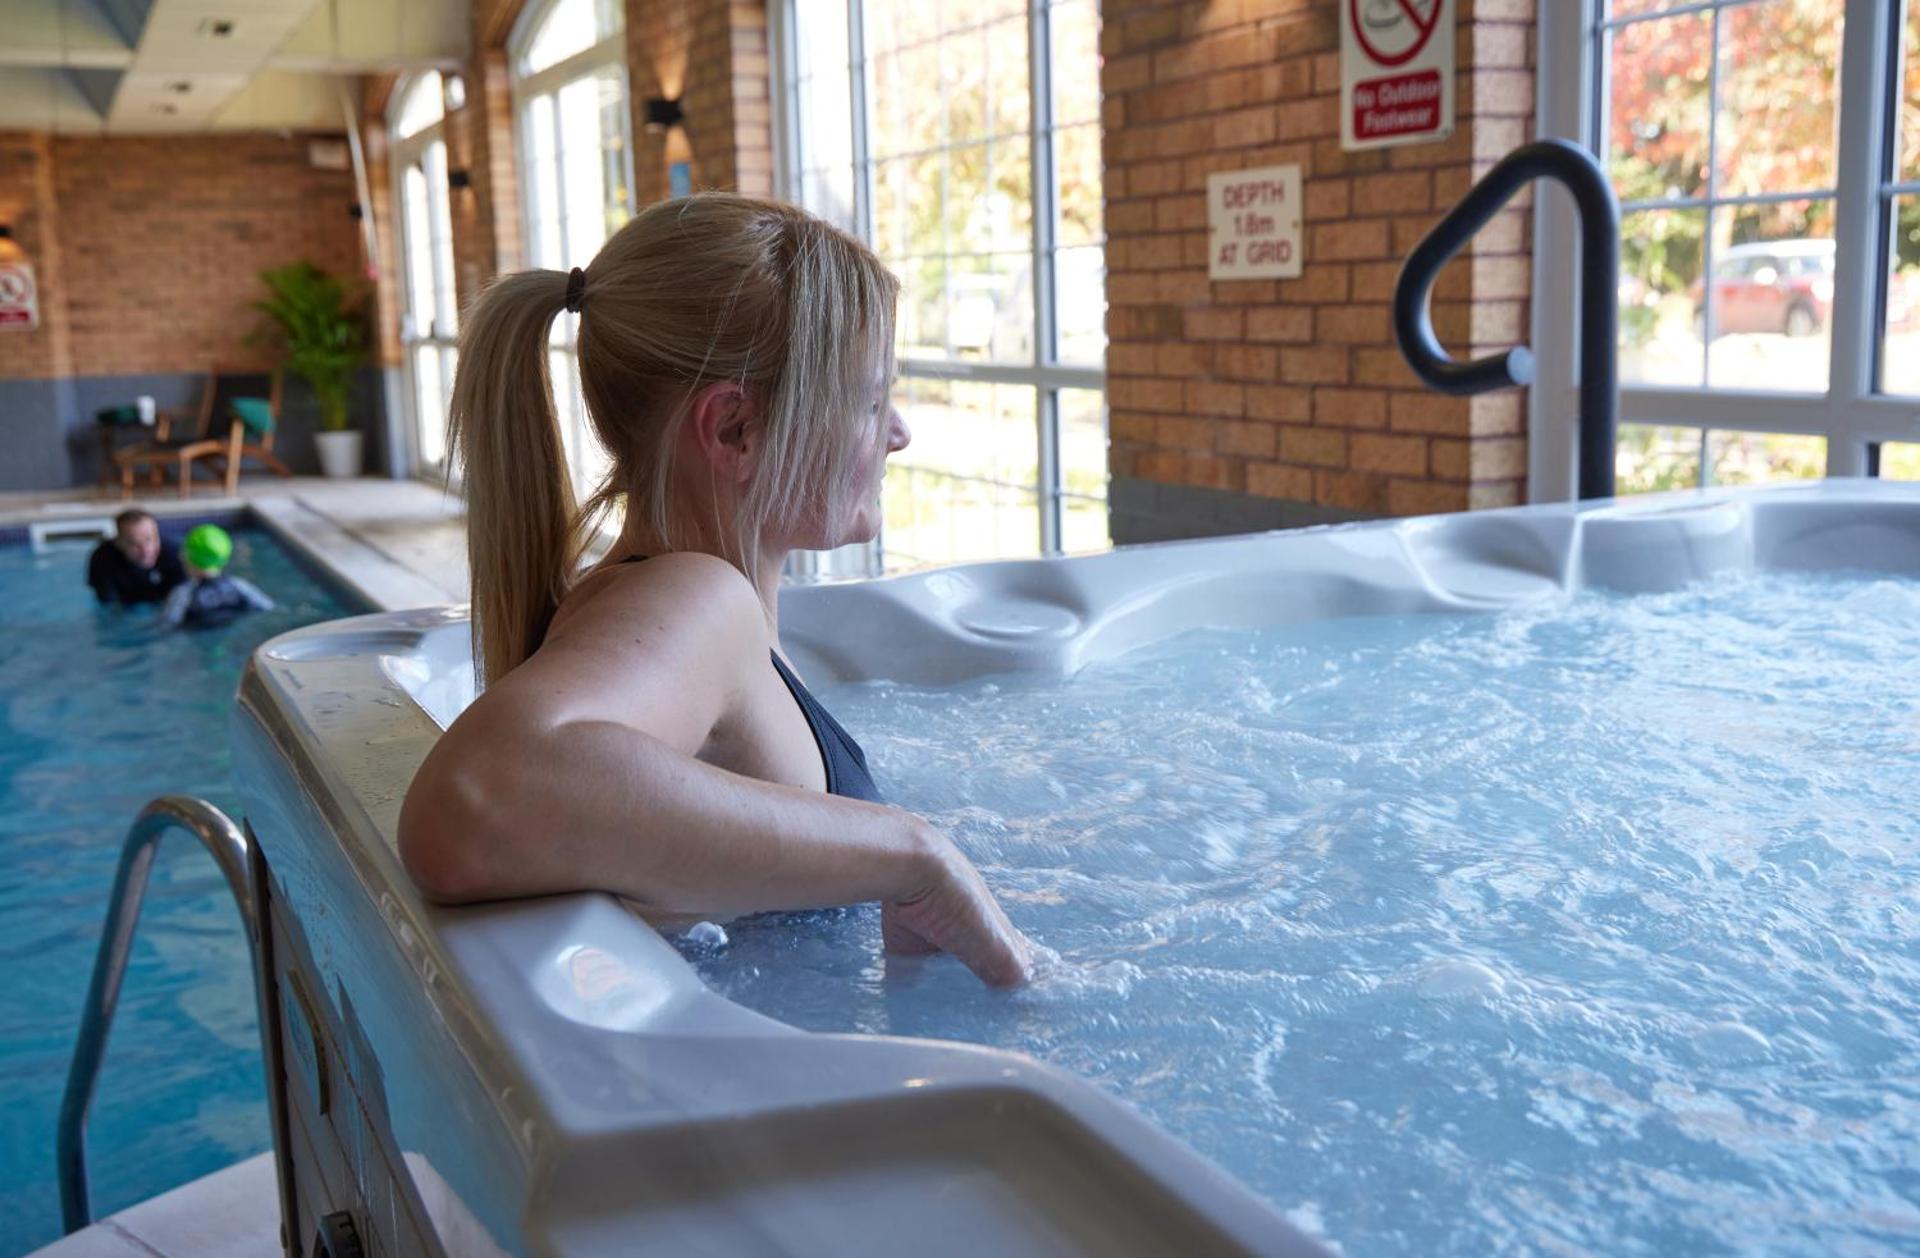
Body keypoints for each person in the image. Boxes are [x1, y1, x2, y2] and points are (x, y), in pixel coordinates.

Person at [397, 194, 1033, 987]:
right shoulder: (695, 601)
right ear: (737, 429)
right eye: (871, 401)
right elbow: (471, 802)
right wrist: (914, 855)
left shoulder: (689, 598)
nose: (898, 432)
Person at [163, 524, 274, 630]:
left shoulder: (183, 594)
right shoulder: (239, 586)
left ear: (187, 558)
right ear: (225, 559)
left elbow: (168, 624)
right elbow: (269, 608)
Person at [87, 508, 185, 606]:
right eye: (135, 544)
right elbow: (108, 608)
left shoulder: (175, 555)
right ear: (118, 543)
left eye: (149, 539)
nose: (146, 551)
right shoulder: (103, 560)